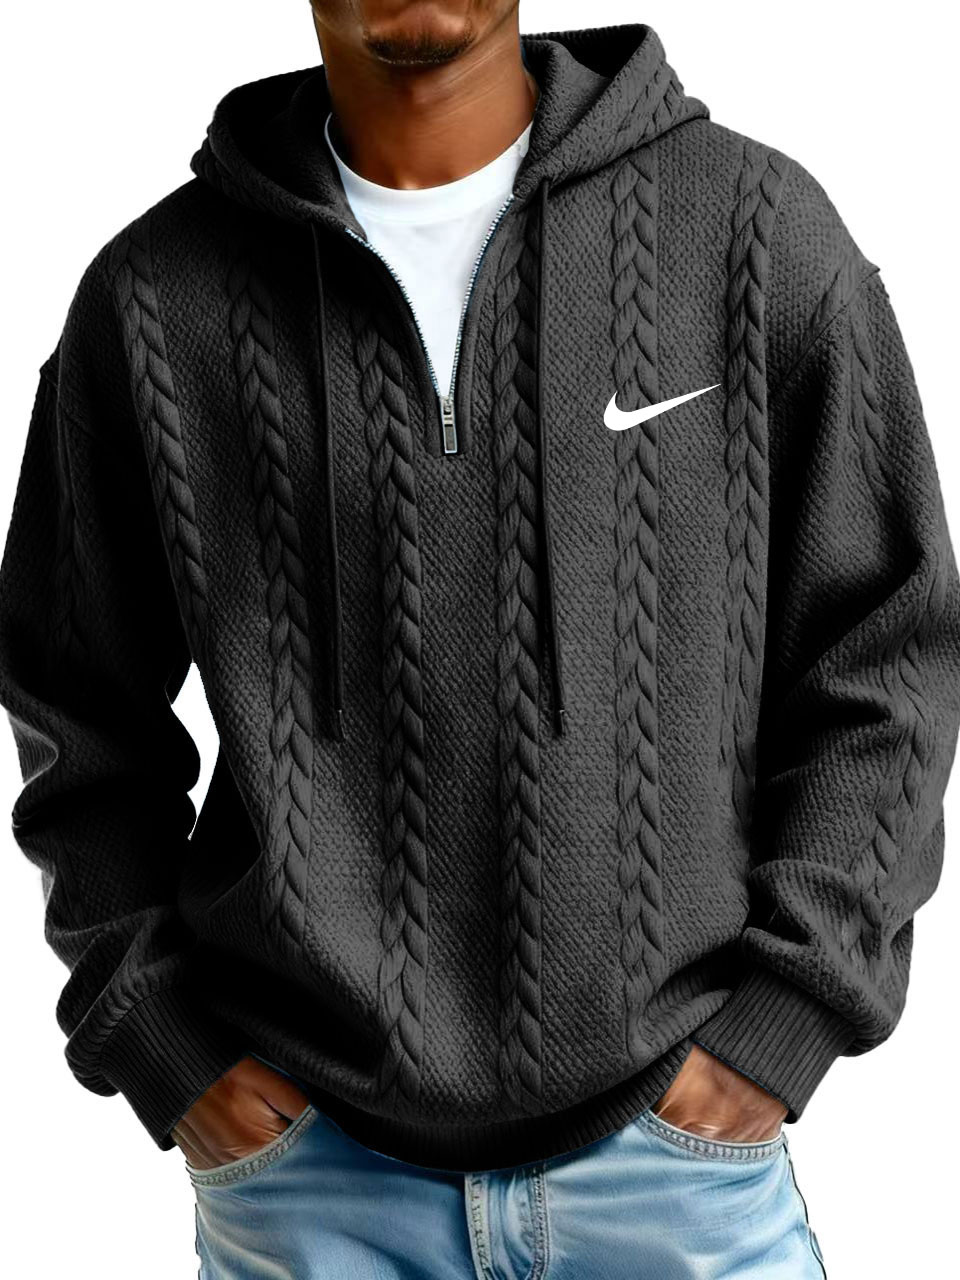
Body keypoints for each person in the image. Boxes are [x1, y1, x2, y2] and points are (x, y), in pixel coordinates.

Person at [1, 4, 958, 1277]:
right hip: (311, 1185)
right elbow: (76, 716)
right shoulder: (150, 299)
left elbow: (889, 657)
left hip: (680, 1173)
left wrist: (786, 1018)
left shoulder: (755, 231)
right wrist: (167, 1048)